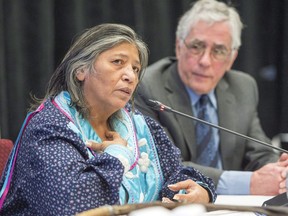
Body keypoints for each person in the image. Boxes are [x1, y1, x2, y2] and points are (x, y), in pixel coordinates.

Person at [0, 23, 216, 215]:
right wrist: (118, 156)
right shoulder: (49, 127)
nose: (130, 76)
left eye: (135, 69)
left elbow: (176, 173)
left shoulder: (141, 126)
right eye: (117, 62)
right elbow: (73, 206)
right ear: (81, 70)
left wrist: (198, 191)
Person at [135, 0, 288, 195]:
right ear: (178, 46)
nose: (205, 61)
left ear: (231, 58)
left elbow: (258, 152)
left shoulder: (243, 87)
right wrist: (248, 183)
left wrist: (278, 172)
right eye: (197, 46)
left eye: (219, 51)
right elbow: (162, 164)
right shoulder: (148, 87)